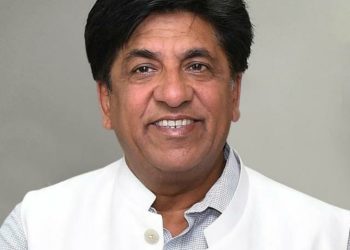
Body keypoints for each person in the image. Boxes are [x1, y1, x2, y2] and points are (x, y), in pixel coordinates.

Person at [1, 0, 349, 249]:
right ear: (106, 100)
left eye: (197, 65)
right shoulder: (36, 229)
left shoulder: (330, 236)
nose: (173, 93)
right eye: (143, 69)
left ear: (234, 93)